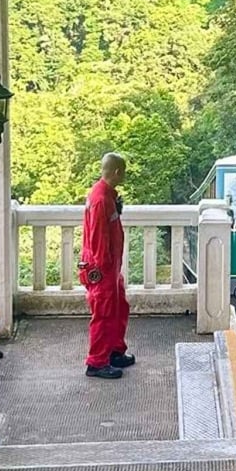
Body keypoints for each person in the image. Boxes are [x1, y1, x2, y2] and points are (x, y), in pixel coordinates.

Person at [79, 152, 134, 379]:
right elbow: (98, 238)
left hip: (111, 268)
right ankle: (97, 362)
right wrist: (104, 270)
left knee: (119, 307)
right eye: (124, 173)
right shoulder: (101, 198)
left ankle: (114, 351)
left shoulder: (107, 195)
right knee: (103, 313)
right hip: (102, 268)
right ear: (117, 172)